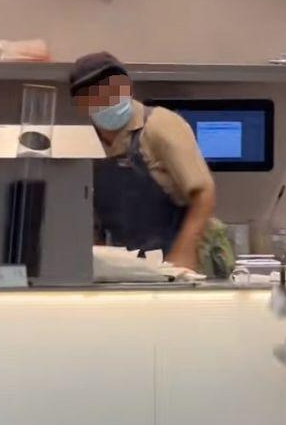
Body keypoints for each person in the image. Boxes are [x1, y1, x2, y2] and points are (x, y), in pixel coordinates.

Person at [70, 52, 217, 272]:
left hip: (176, 264)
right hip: (128, 268)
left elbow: (204, 193)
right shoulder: (86, 143)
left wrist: (183, 252)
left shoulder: (161, 125)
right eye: (95, 93)